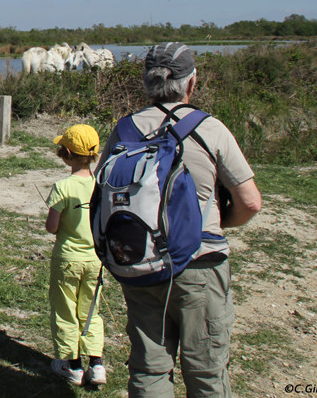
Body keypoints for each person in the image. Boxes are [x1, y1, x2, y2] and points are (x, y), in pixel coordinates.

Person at [96, 42, 262, 397]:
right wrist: (219, 221)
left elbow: (102, 191)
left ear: (146, 82)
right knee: (205, 372)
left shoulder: (125, 129)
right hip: (200, 264)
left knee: (149, 368)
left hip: (141, 261)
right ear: (191, 82)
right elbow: (250, 202)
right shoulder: (209, 128)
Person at [45, 124, 106, 387]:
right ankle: (97, 363)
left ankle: (73, 366)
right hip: (95, 260)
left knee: (66, 311)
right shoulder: (100, 186)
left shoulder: (63, 187)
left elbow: (52, 226)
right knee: (91, 310)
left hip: (67, 259)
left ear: (66, 153)